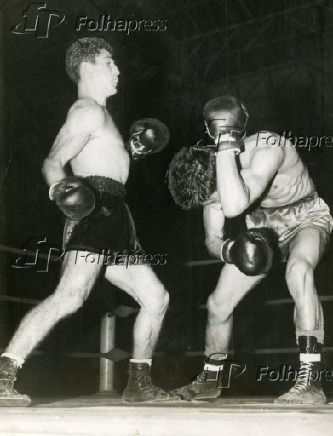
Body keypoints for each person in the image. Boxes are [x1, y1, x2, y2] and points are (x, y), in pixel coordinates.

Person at [0, 37, 179, 406]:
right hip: (95, 210)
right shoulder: (87, 111)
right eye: (109, 62)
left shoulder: (103, 116)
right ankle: (4, 375)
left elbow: (104, 162)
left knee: (156, 298)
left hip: (117, 213)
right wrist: (63, 193)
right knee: (70, 296)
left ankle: (139, 383)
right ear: (86, 67)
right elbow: (53, 161)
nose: (118, 69)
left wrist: (133, 151)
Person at [168, 95, 333, 405]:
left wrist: (226, 145)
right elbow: (212, 238)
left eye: (213, 199)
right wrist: (230, 250)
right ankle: (211, 378)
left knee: (298, 270)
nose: (214, 204)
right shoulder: (209, 177)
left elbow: (235, 203)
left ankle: (310, 380)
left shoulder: (268, 148)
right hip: (261, 229)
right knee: (217, 304)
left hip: (305, 217)